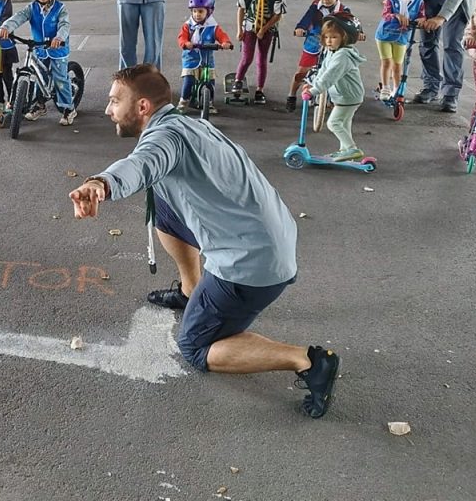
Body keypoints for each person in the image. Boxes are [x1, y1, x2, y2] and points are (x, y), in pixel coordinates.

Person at [69, 64, 340, 419]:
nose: (108, 110)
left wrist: (100, 184)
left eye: (114, 101)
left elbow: (142, 164)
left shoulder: (164, 140)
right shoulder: (188, 123)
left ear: (143, 107)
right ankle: (190, 289)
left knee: (194, 347)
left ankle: (307, 360)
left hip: (250, 267)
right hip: (270, 238)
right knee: (163, 204)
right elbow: (156, 173)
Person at [0, 0, 77, 126]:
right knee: (39, 77)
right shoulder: (31, 8)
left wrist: (59, 37)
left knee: (60, 78)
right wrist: (6, 27)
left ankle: (69, 108)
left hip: (57, 50)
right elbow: (19, 17)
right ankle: (39, 105)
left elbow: (64, 25)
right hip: (40, 49)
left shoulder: (60, 9)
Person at [301, 12, 366, 161]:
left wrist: (314, 91)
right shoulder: (331, 51)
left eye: (334, 37)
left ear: (345, 38)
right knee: (344, 123)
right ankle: (346, 151)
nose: (329, 41)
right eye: (326, 37)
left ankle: (351, 149)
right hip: (345, 96)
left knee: (334, 123)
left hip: (349, 96)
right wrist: (311, 84)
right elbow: (323, 71)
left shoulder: (342, 56)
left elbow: (329, 77)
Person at [285, 0, 354, 112]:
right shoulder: (316, 7)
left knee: (337, 71)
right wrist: (300, 28)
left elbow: (352, 24)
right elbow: (306, 19)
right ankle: (291, 95)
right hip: (314, 40)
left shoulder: (343, 10)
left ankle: (335, 97)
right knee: (302, 71)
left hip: (334, 43)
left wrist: (358, 32)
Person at [231, 0, 286, 105]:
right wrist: (239, 30)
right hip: (249, 26)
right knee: (247, 57)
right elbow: (241, 9)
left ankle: (260, 89)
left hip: (266, 29)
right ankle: (238, 80)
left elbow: (277, 14)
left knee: (261, 59)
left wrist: (264, 29)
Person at [176, 0, 233, 114]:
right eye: (194, 11)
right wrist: (186, 43)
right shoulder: (188, 26)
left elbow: (221, 35)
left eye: (201, 11)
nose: (197, 14)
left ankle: (210, 102)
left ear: (209, 11)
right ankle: (183, 101)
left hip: (207, 59)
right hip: (191, 59)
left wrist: (225, 43)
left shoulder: (213, 26)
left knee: (210, 80)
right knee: (188, 79)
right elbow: (181, 37)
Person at [374, 0, 425, 99]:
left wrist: (420, 20)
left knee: (398, 65)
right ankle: (385, 87)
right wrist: (396, 15)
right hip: (385, 34)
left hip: (402, 36)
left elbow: (422, 15)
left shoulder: (419, 0)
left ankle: (397, 89)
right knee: (386, 62)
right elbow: (385, 14)